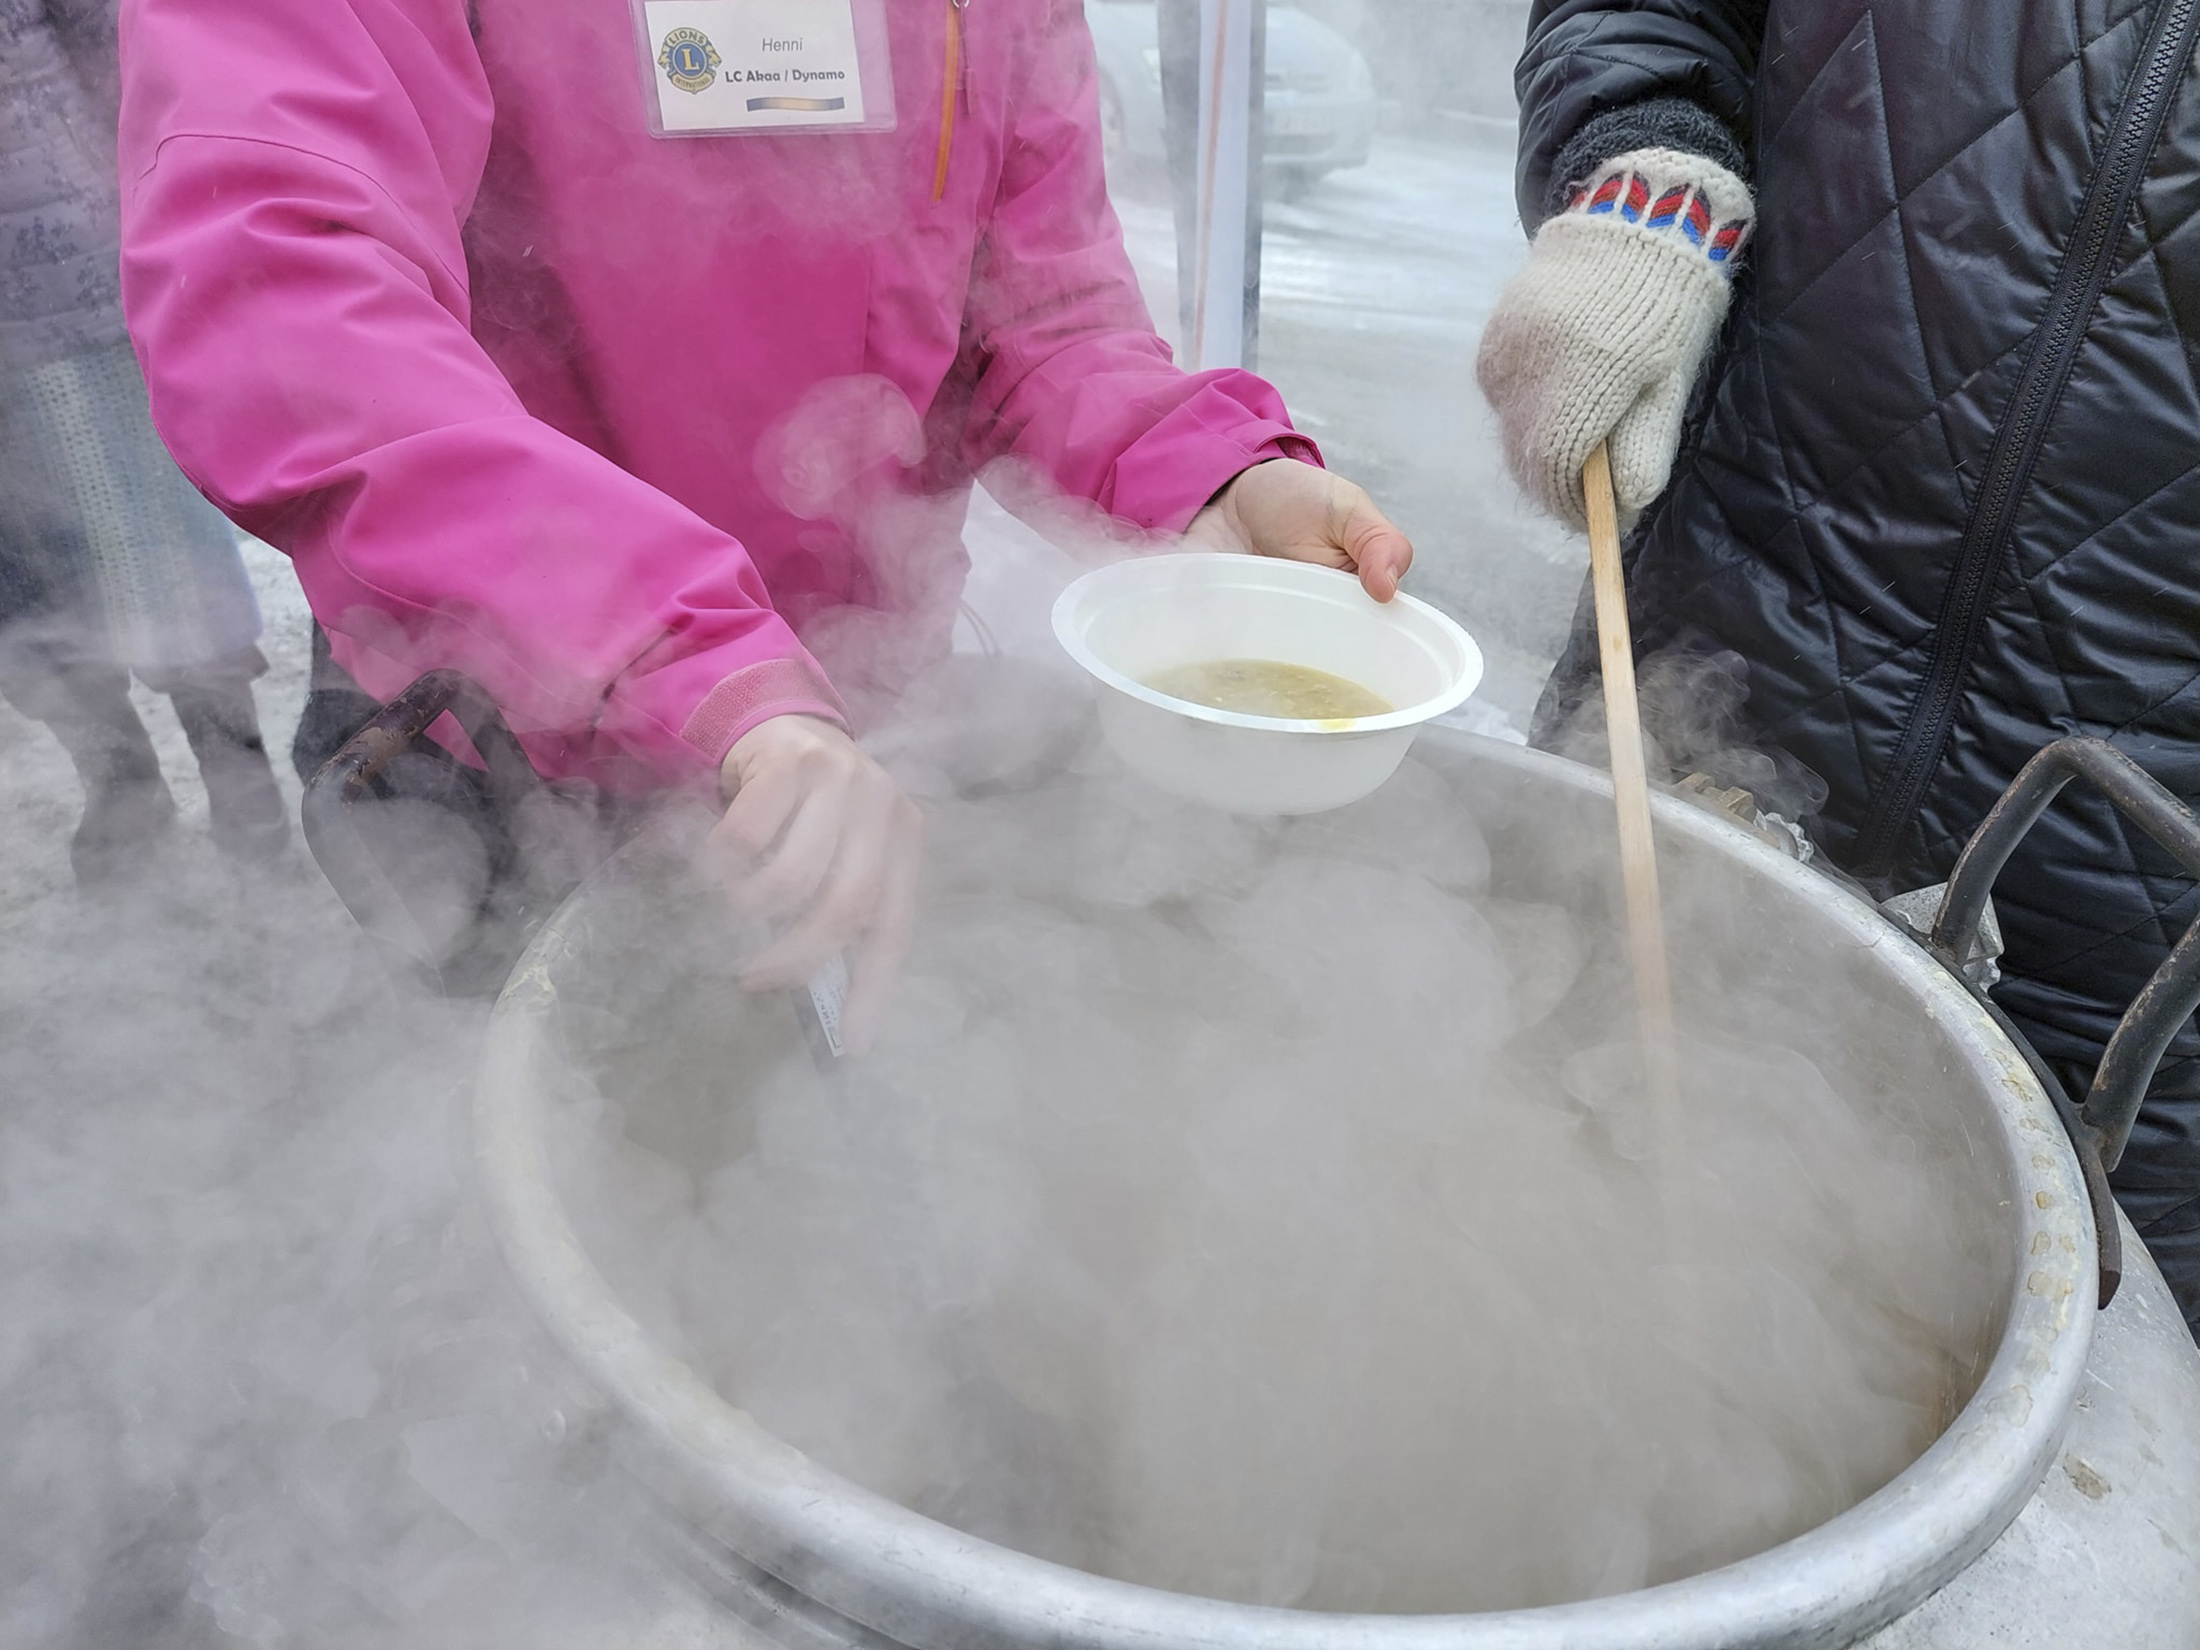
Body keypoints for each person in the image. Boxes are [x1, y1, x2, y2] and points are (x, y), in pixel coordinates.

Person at [114, 0, 1414, 1038]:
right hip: (506, 733)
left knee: (834, 1143)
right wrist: (701, 658)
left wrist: (1213, 473)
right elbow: (281, 281)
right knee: (561, 1132)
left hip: (866, 729)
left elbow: (1042, 316)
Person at [1476, 0, 2200, 1335]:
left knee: (2035, 1388)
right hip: (1717, 654)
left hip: (2138, 917)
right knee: (1505, 1222)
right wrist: (1646, 167)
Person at [1, 0, 286, 882]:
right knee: (19, 585)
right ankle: (118, 777)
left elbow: (122, 52)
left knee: (152, 550)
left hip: (61, 288)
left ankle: (238, 774)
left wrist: (161, 218)